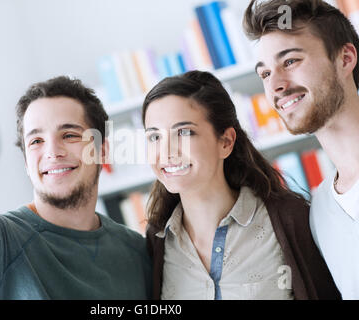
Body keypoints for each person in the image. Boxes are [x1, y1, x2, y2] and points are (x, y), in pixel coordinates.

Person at [0, 70, 152, 299]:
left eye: (69, 135)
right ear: (27, 162)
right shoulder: (2, 246)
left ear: (103, 151)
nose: (53, 152)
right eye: (36, 140)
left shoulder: (137, 251)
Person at [142, 70, 340, 300]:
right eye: (154, 137)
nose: (166, 152)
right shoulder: (156, 242)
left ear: (226, 141)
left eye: (184, 132)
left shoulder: (288, 220)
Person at [243, 0, 359, 299]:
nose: (276, 86)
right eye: (265, 74)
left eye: (291, 61)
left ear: (345, 59)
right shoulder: (319, 213)